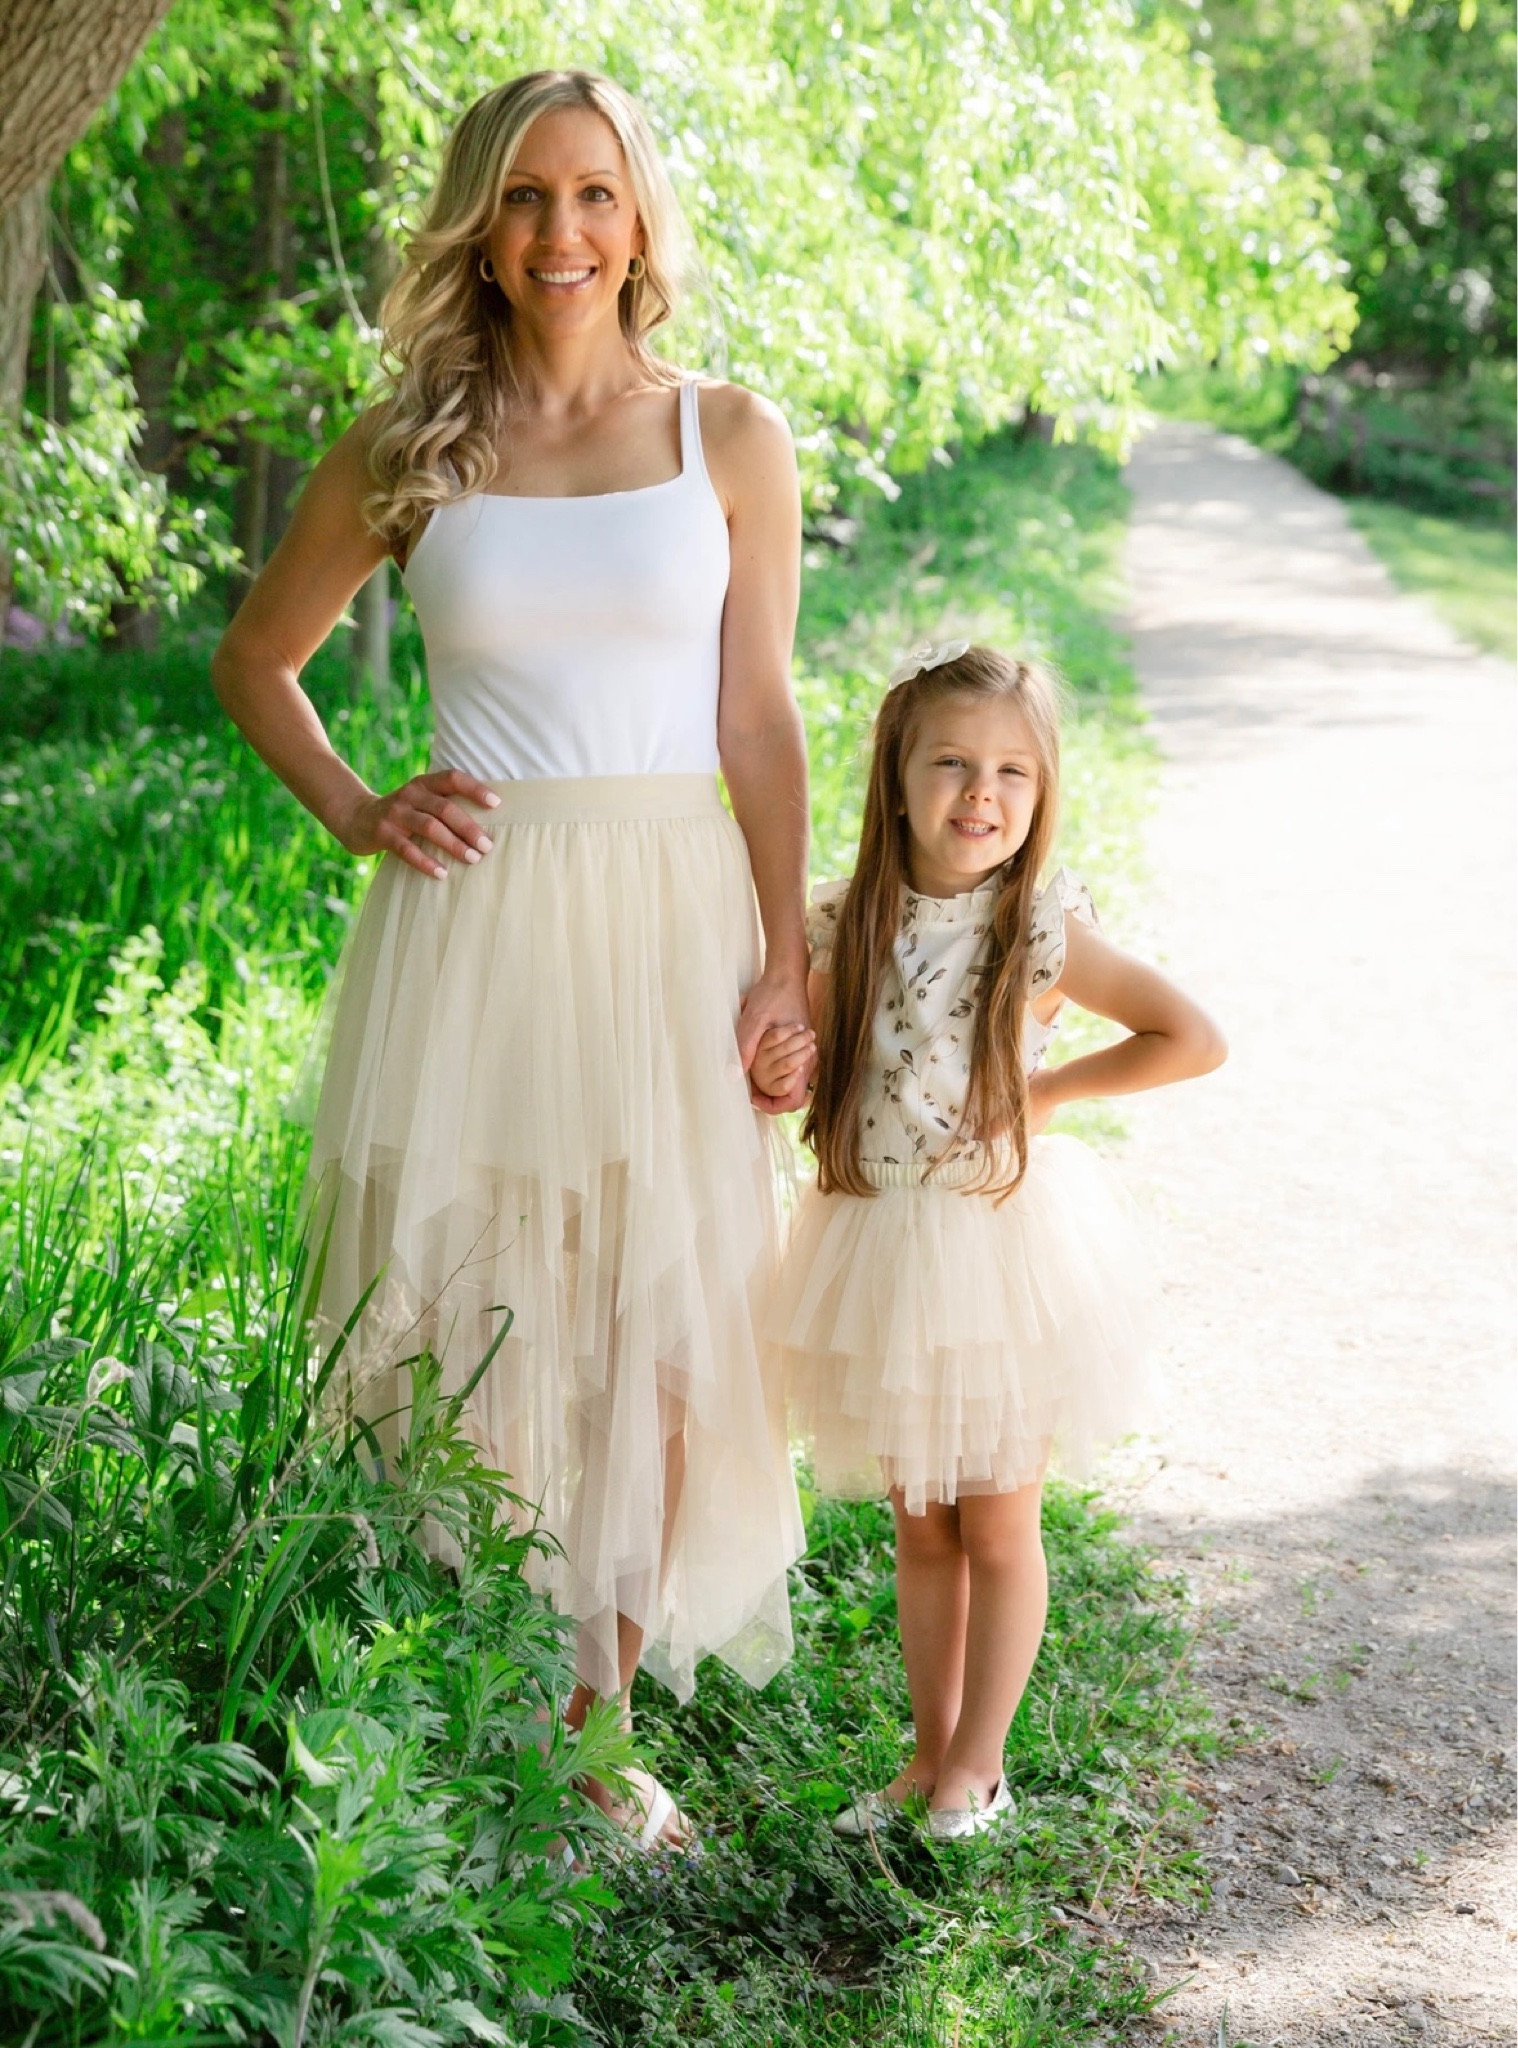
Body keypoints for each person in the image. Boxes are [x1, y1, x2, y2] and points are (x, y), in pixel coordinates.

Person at [212, 69, 811, 1852]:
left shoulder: (727, 433)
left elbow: (760, 715)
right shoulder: (412, 444)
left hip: (670, 902)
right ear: (482, 220)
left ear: (639, 222)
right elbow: (258, 659)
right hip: (474, 916)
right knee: (489, 1312)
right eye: (528, 199)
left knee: (677, 1320)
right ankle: (472, 1679)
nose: (561, 233)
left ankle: (598, 1715)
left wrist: (787, 959)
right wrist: (351, 806)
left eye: (595, 197)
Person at [752, 641, 1226, 1839]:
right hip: (877, 1250)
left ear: (1044, 792)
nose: (982, 792)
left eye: (1014, 770)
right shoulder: (838, 920)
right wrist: (777, 1070)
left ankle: (980, 1764)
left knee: (999, 1519)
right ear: (896, 777)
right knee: (923, 1523)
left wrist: (1049, 1092)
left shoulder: (1042, 925)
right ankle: (924, 1758)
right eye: (953, 762)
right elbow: (792, 1060)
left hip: (998, 1251)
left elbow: (1190, 1034)